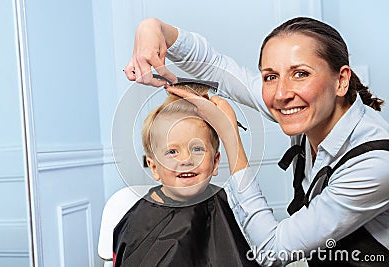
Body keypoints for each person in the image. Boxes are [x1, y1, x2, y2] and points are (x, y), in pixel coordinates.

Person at [123, 17, 389, 266]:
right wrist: (155, 28)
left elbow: (272, 251)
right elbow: (218, 67)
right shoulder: (304, 108)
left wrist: (229, 135)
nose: (282, 93)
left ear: (341, 80)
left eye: (301, 74)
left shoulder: (376, 164)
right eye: (270, 76)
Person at [112, 83, 260, 267]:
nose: (186, 159)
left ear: (215, 162)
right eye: (172, 152)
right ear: (154, 167)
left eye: (197, 149)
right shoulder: (139, 223)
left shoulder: (230, 205)